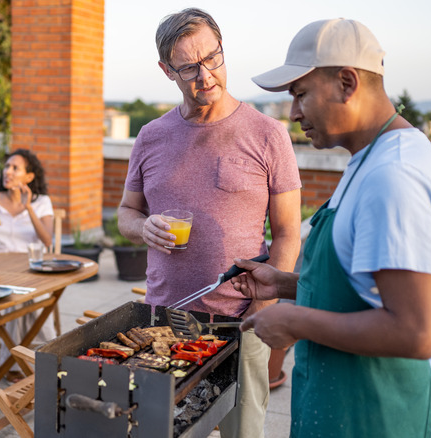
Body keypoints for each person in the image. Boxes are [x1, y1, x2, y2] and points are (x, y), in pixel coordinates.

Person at [233, 18, 431, 437]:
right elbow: (362, 292)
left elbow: (416, 332)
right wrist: (283, 285)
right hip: (347, 408)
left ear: (347, 82)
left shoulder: (394, 176)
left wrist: (294, 323)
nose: (294, 112)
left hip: (373, 415)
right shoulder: (375, 158)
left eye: (300, 94)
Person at [117, 8, 302, 438]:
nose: (206, 75)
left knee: (243, 433)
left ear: (222, 51)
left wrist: (261, 309)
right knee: (166, 431)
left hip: (242, 321)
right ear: (167, 70)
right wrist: (142, 227)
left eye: (213, 58)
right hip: (164, 320)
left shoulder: (268, 133)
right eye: (188, 66)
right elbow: (127, 212)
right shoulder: (151, 136)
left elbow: (288, 232)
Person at [0, 149, 55, 382]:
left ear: (29, 177)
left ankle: (15, 362)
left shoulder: (42, 202)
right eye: (7, 166)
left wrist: (28, 208)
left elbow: (48, 240)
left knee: (26, 296)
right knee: (19, 296)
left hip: (31, 269)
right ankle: (53, 355)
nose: (8, 171)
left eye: (15, 168)